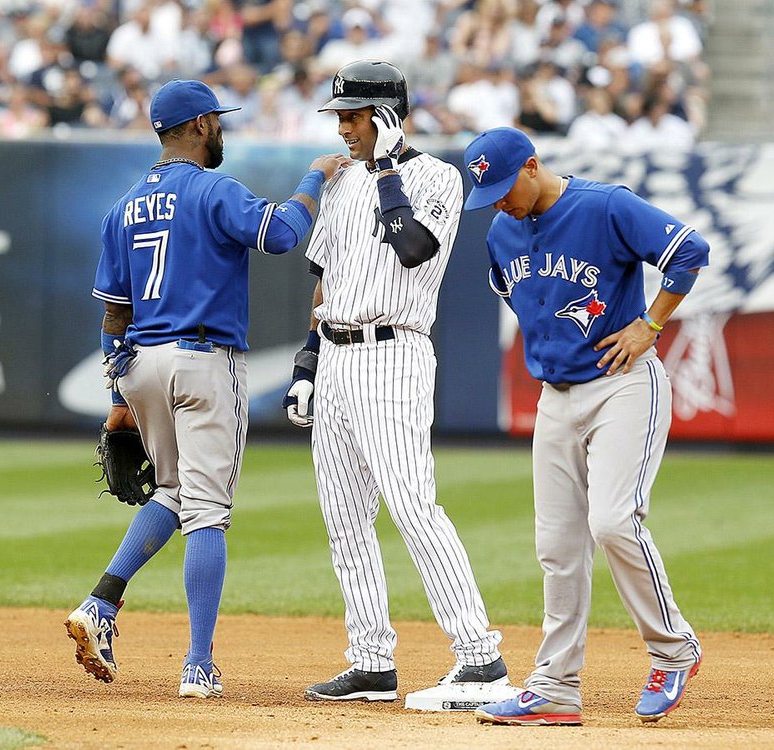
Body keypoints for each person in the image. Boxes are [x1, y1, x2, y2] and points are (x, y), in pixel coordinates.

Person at [64, 78, 349, 699]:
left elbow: (114, 314)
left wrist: (119, 398)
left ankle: (101, 604)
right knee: (209, 512)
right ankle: (197, 664)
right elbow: (278, 234)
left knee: (172, 490)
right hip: (203, 359)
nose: (221, 128)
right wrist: (314, 178)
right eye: (215, 120)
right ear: (196, 126)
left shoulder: (124, 206)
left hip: (141, 363)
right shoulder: (213, 187)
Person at [461, 127, 706, 725]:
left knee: (614, 520)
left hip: (624, 385)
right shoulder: (501, 232)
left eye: (501, 187)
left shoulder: (604, 205)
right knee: (557, 546)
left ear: (533, 166)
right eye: (485, 193)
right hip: (556, 397)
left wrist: (650, 322)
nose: (497, 201)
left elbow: (688, 251)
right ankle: (554, 688)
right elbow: (513, 290)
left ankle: (674, 650)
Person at [282, 60, 506, 702]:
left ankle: (479, 658)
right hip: (337, 356)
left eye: (353, 115)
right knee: (344, 518)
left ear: (386, 116)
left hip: (393, 354)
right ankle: (372, 660)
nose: (343, 127)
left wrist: (383, 168)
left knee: (411, 503)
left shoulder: (435, 176)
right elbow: (322, 282)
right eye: (340, 115)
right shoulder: (343, 182)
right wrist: (306, 364)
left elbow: (413, 247)